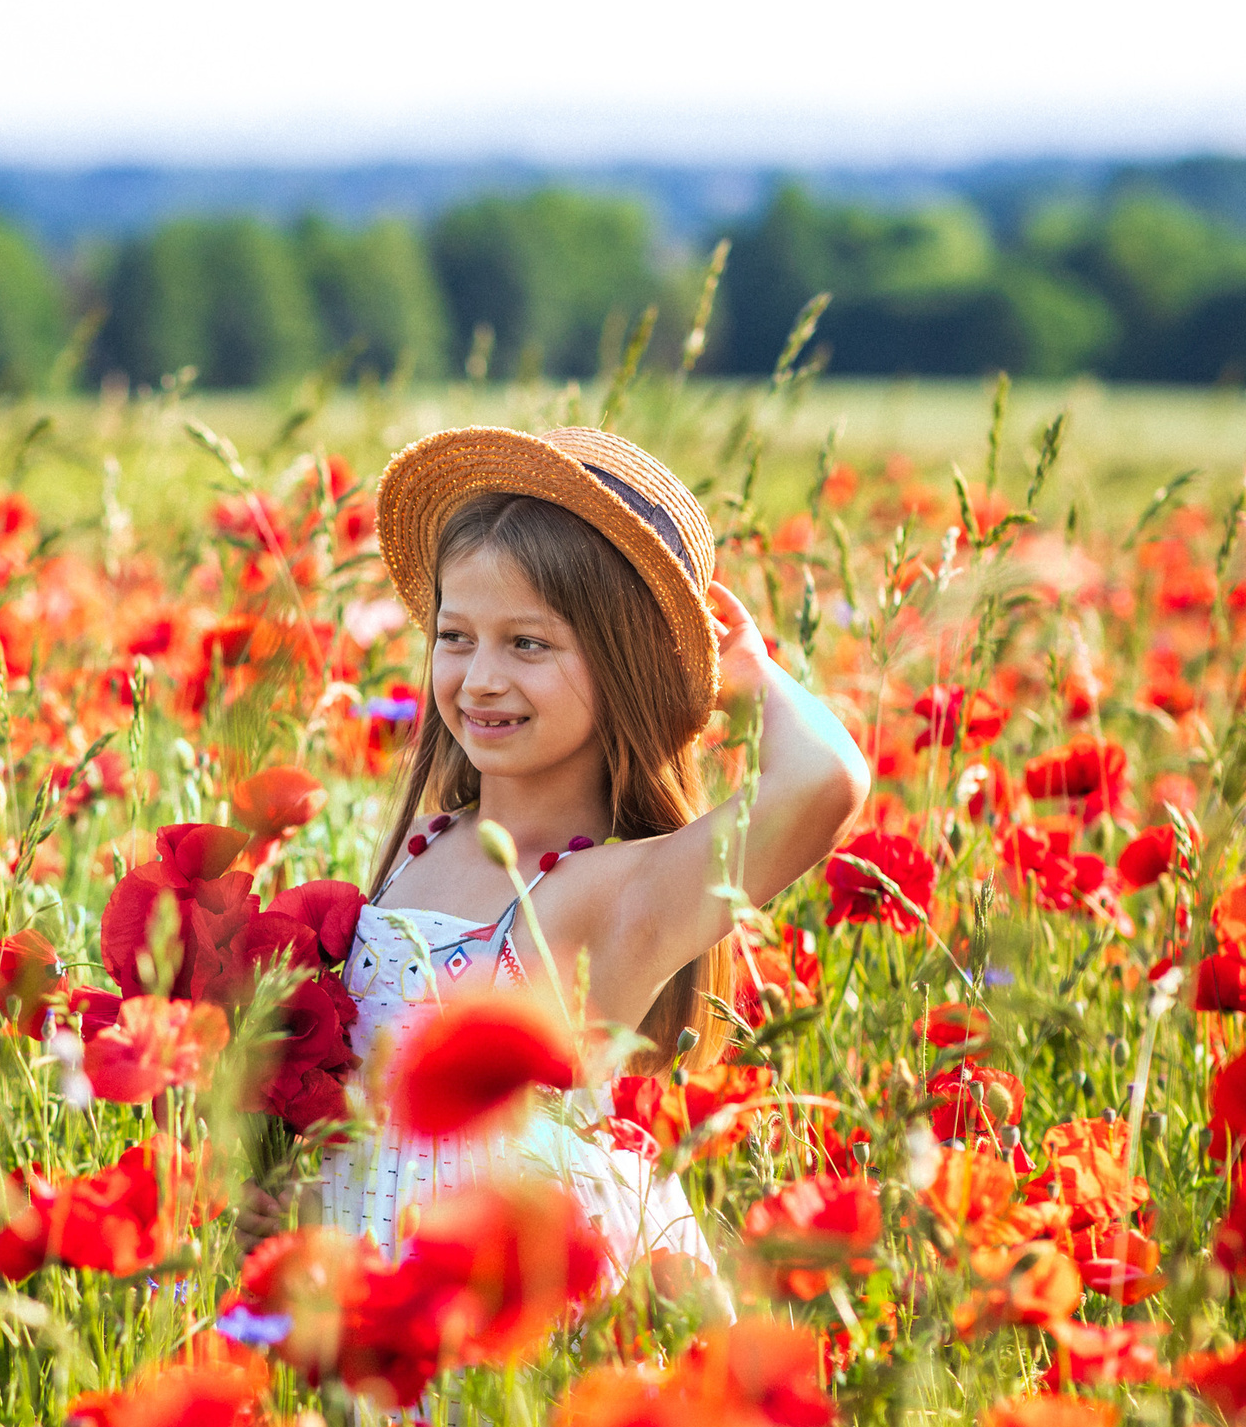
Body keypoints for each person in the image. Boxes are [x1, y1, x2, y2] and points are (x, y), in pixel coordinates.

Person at [234, 425, 869, 1283]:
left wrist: (747, 674)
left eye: (527, 643)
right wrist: (289, 1199)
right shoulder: (424, 847)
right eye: (456, 637)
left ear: (625, 664)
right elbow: (378, 1137)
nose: (480, 678)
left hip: (505, 1297)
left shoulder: (618, 889)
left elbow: (825, 779)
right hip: (367, 1290)